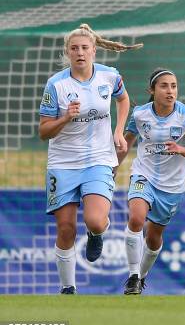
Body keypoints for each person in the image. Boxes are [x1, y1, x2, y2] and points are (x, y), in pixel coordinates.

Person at [39, 23, 141, 294]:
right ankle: (68, 288)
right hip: (62, 163)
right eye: (74, 48)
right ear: (67, 53)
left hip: (99, 159)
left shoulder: (109, 76)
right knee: (65, 229)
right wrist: (65, 118)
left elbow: (123, 99)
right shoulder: (56, 84)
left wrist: (118, 131)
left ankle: (96, 234)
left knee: (95, 220)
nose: (80, 53)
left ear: (94, 51)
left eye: (85, 48)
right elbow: (43, 131)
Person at [118, 68, 185, 295]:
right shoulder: (139, 114)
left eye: (174, 86)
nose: (170, 91)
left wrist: (181, 149)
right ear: (152, 90)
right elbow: (125, 144)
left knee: (154, 236)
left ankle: (142, 277)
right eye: (164, 86)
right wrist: (112, 168)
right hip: (143, 174)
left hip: (172, 186)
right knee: (136, 219)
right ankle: (133, 275)